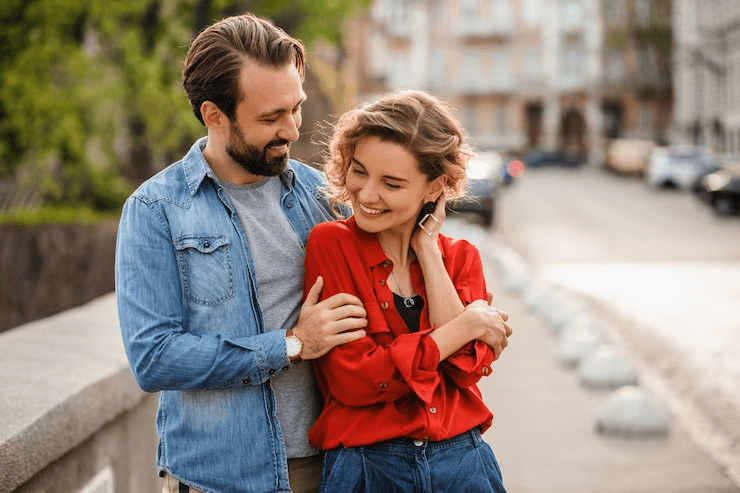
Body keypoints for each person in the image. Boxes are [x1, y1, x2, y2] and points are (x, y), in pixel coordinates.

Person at [114, 14, 371, 493]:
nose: (292, 130)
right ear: (214, 114)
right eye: (270, 118)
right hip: (220, 480)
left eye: (296, 109)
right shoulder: (156, 211)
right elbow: (153, 358)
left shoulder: (323, 197)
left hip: (332, 468)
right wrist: (291, 344)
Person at [303, 90, 512, 493]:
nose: (365, 194)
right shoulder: (331, 244)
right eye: (359, 171)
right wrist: (463, 326)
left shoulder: (460, 257)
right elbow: (356, 379)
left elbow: (465, 368)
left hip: (462, 461)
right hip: (367, 467)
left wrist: (427, 250)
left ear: (434, 188)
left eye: (392, 184)